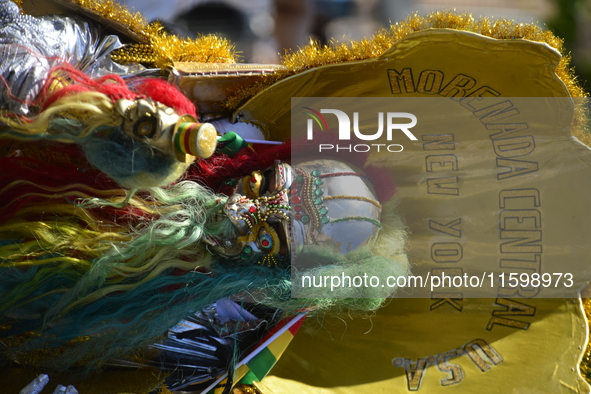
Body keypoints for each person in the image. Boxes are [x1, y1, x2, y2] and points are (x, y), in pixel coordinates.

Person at [0, 0, 409, 391]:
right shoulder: (184, 119)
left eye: (273, 234)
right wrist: (91, 108)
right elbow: (34, 37)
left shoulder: (213, 340)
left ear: (286, 275)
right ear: (262, 166)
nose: (242, 209)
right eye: (265, 186)